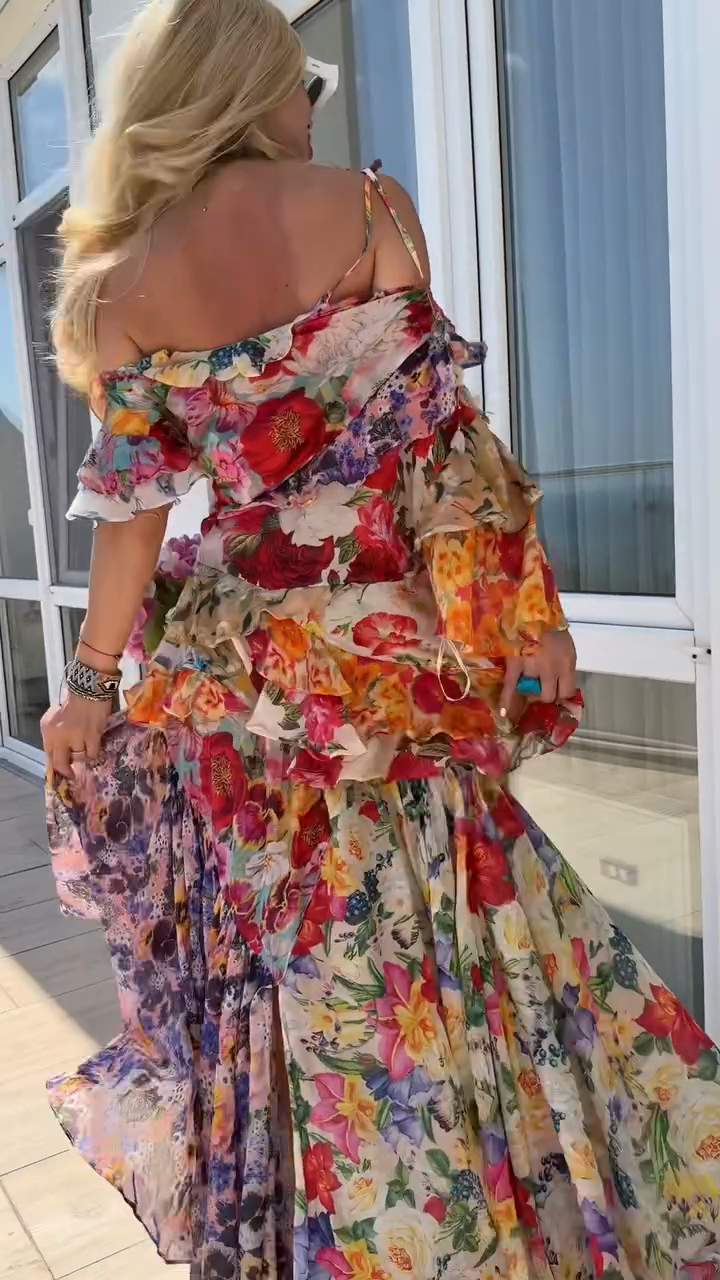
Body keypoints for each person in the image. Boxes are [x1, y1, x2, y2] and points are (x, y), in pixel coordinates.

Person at [42, 1, 720, 1277]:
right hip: (384, 682)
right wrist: (528, 623)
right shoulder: (363, 208)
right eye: (296, 79)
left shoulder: (120, 283)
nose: (312, 102)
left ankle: (333, 1232)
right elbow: (442, 457)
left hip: (225, 697)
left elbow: (133, 520)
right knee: (444, 945)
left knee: (286, 984)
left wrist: (87, 685)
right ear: (243, 86)